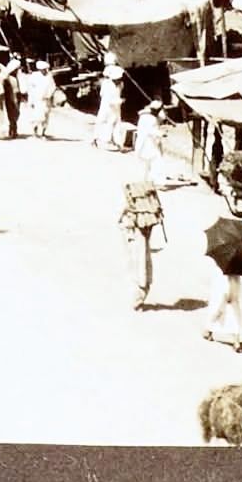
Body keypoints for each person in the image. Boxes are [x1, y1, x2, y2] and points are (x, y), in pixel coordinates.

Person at [120, 178, 165, 310]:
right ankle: (139, 295)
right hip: (141, 211)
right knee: (140, 260)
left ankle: (138, 297)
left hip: (138, 236)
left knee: (139, 261)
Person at [93, 60, 125, 151]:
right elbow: (107, 98)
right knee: (104, 122)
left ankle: (118, 143)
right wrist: (120, 101)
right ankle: (100, 140)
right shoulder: (107, 85)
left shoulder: (120, 84)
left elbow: (119, 93)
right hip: (107, 106)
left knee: (116, 123)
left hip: (116, 108)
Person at [135, 101, 164, 184]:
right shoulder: (150, 118)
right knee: (156, 162)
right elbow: (150, 130)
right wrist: (161, 133)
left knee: (147, 164)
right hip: (148, 144)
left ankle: (146, 181)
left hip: (147, 143)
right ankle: (156, 182)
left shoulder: (145, 116)